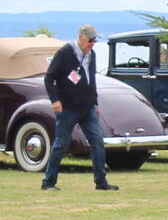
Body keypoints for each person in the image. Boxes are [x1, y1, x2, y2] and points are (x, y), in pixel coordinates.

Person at [40, 25, 117, 192]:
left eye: (94, 41)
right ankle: (48, 181)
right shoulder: (65, 53)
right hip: (68, 108)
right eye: (90, 40)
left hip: (87, 107)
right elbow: (49, 78)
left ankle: (101, 181)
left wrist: (95, 102)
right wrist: (55, 100)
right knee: (61, 144)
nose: (92, 44)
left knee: (97, 142)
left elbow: (91, 80)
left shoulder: (92, 54)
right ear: (81, 37)